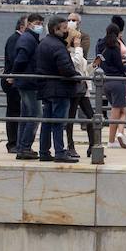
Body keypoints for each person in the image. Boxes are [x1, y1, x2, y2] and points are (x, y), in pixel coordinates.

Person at [34, 15, 78, 163]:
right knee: (59, 121)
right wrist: (76, 74)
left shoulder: (43, 43)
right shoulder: (58, 46)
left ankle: (44, 151)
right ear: (55, 29)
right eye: (64, 28)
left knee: (47, 121)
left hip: (45, 87)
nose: (67, 31)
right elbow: (65, 68)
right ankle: (60, 151)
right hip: (59, 88)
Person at [11, 13, 44, 160]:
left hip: (26, 81)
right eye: (37, 23)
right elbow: (20, 60)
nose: (39, 26)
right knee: (35, 115)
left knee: (26, 115)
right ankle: (24, 147)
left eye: (41, 23)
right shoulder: (29, 39)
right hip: (29, 82)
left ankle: (21, 146)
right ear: (29, 24)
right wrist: (15, 74)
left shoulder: (29, 38)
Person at [95, 23, 126, 148]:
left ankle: (120, 134)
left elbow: (101, 61)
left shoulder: (100, 45)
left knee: (123, 111)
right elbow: (119, 67)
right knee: (117, 111)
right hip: (117, 81)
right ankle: (112, 139)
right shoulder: (114, 47)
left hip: (104, 82)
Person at [67, 28, 96, 159]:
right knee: (71, 118)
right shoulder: (69, 52)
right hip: (73, 89)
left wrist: (93, 66)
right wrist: (78, 48)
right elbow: (76, 63)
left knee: (92, 117)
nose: (79, 41)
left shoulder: (78, 52)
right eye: (77, 38)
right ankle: (70, 146)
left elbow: (83, 71)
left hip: (83, 89)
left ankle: (93, 145)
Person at [1, 16, 26, 153]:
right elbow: (13, 58)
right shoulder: (14, 39)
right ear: (22, 26)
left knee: (17, 110)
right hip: (12, 81)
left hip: (16, 80)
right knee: (13, 110)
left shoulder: (19, 39)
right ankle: (12, 143)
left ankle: (18, 141)